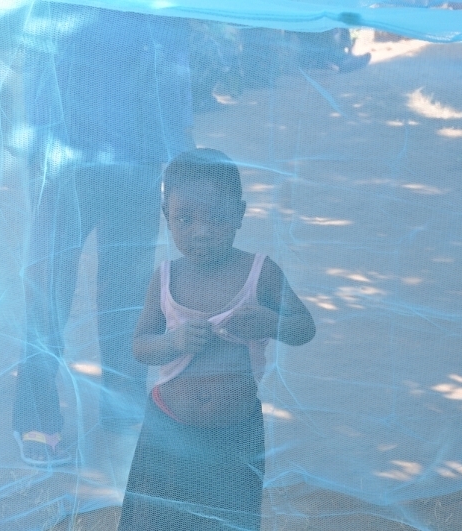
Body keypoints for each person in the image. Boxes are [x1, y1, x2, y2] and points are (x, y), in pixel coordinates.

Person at [12, 5, 194, 466]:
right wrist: (37, 137)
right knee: (49, 285)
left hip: (137, 150)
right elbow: (42, 44)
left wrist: (179, 147)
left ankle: (122, 403)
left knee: (128, 289)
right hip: (65, 150)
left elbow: (173, 52)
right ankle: (36, 410)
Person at [118, 148, 316, 530]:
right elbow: (140, 345)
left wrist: (271, 322)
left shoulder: (260, 273)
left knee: (228, 518)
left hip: (235, 434)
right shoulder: (166, 277)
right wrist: (174, 343)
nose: (202, 231)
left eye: (217, 218)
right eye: (185, 219)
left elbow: (304, 327)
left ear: (239, 214)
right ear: (167, 216)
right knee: (159, 518)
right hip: (169, 429)